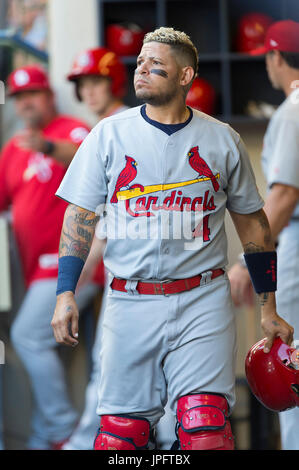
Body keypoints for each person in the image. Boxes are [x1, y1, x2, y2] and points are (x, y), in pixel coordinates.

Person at [51, 27, 294, 451]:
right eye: (140, 62)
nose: (142, 69)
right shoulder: (108, 135)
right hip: (128, 300)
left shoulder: (222, 139)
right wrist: (64, 292)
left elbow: (254, 226)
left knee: (206, 431)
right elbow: (80, 216)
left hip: (202, 299)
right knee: (120, 438)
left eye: (155, 64)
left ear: (185, 77)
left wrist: (268, 307)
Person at [62, 46, 176, 450]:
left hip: (145, 266)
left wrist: (77, 279)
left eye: (95, 82)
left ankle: (156, 442)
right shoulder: (106, 128)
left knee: (122, 366)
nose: (89, 92)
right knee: (126, 366)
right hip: (124, 268)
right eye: (82, 85)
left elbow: (119, 214)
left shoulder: (127, 126)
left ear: (111, 81)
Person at [0, 64, 99, 450]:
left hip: (75, 262)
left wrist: (45, 147)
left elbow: (90, 160)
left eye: (33, 94)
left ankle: (59, 429)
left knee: (26, 335)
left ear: (49, 96)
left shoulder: (70, 129)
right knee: (39, 338)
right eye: (20, 97)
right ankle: (46, 432)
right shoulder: (12, 150)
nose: (27, 103)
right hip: (35, 272)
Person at [228, 20, 299, 450]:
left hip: (297, 246)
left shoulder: (293, 109)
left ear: (276, 57)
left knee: (292, 374)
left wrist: (245, 262)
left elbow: (285, 195)